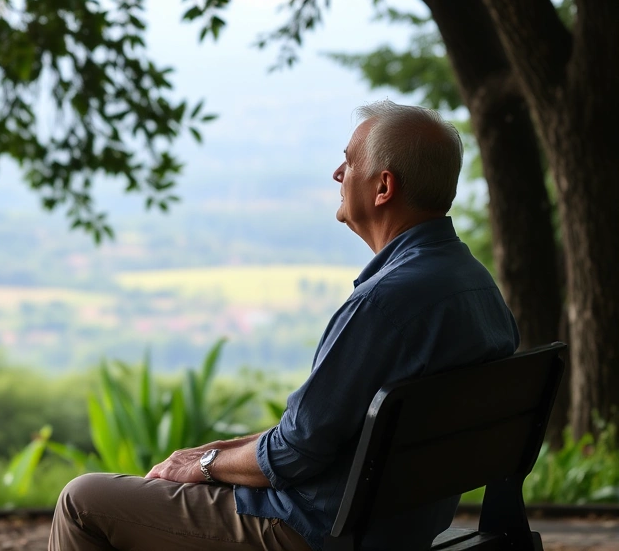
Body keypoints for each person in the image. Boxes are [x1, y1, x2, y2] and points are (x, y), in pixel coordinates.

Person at [47, 101, 521, 551]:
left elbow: (296, 452)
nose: (338, 174)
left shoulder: (385, 303)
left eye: (350, 162)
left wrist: (206, 464)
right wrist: (218, 451)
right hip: (399, 525)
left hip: (312, 531)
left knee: (83, 500)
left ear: (383, 188)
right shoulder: (474, 285)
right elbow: (315, 432)